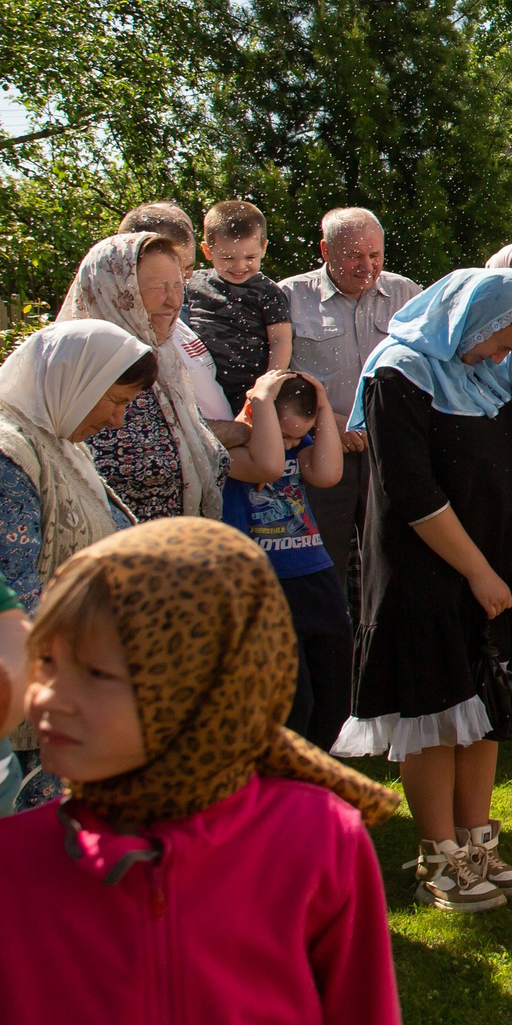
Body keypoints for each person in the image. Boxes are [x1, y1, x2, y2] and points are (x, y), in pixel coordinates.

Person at [0, 519, 416, 1025]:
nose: (49, 697)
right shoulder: (14, 868)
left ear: (198, 684)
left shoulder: (317, 844)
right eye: (46, 663)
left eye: (95, 672)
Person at [334, 268, 512, 913]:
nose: (500, 357)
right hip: (424, 569)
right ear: (469, 321)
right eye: (498, 344)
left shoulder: (494, 373)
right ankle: (438, 852)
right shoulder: (399, 371)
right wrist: (476, 571)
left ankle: (475, 839)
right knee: (432, 711)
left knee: (481, 706)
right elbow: (410, 489)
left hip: (498, 562)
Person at [0, 321, 153, 814]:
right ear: (74, 381)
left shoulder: (60, 442)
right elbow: (16, 593)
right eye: (114, 400)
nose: (117, 421)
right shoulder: (9, 455)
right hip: (35, 715)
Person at [281, 207, 422, 617]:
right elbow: (278, 378)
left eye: (375, 255)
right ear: (325, 249)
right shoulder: (290, 296)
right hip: (321, 454)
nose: (367, 267)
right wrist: (328, 424)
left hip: (388, 453)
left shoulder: (406, 294)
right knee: (324, 566)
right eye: (353, 256)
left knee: (389, 564)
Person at [60, 232, 234, 524]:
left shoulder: (166, 366)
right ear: (113, 293)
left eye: (179, 285)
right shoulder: (73, 378)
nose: (174, 300)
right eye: (159, 288)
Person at [221, 371, 351, 748]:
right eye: (286, 435)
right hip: (263, 580)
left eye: (300, 434)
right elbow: (270, 467)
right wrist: (260, 401)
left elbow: (327, 473)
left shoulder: (298, 441)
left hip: (313, 571)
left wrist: (324, 405)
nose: (294, 442)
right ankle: (283, 786)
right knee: (293, 698)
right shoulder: (230, 453)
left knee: (333, 684)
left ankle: (316, 779)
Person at [119, 203, 236, 433]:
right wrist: (242, 431)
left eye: (187, 268)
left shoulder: (174, 319)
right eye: (163, 279)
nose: (184, 280)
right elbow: (159, 436)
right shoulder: (121, 346)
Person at [184, 199, 293, 412]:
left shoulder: (268, 292)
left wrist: (269, 385)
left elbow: (280, 340)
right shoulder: (193, 283)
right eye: (227, 258)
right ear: (207, 251)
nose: (240, 266)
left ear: (263, 248)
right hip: (200, 386)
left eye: (250, 257)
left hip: (248, 388)